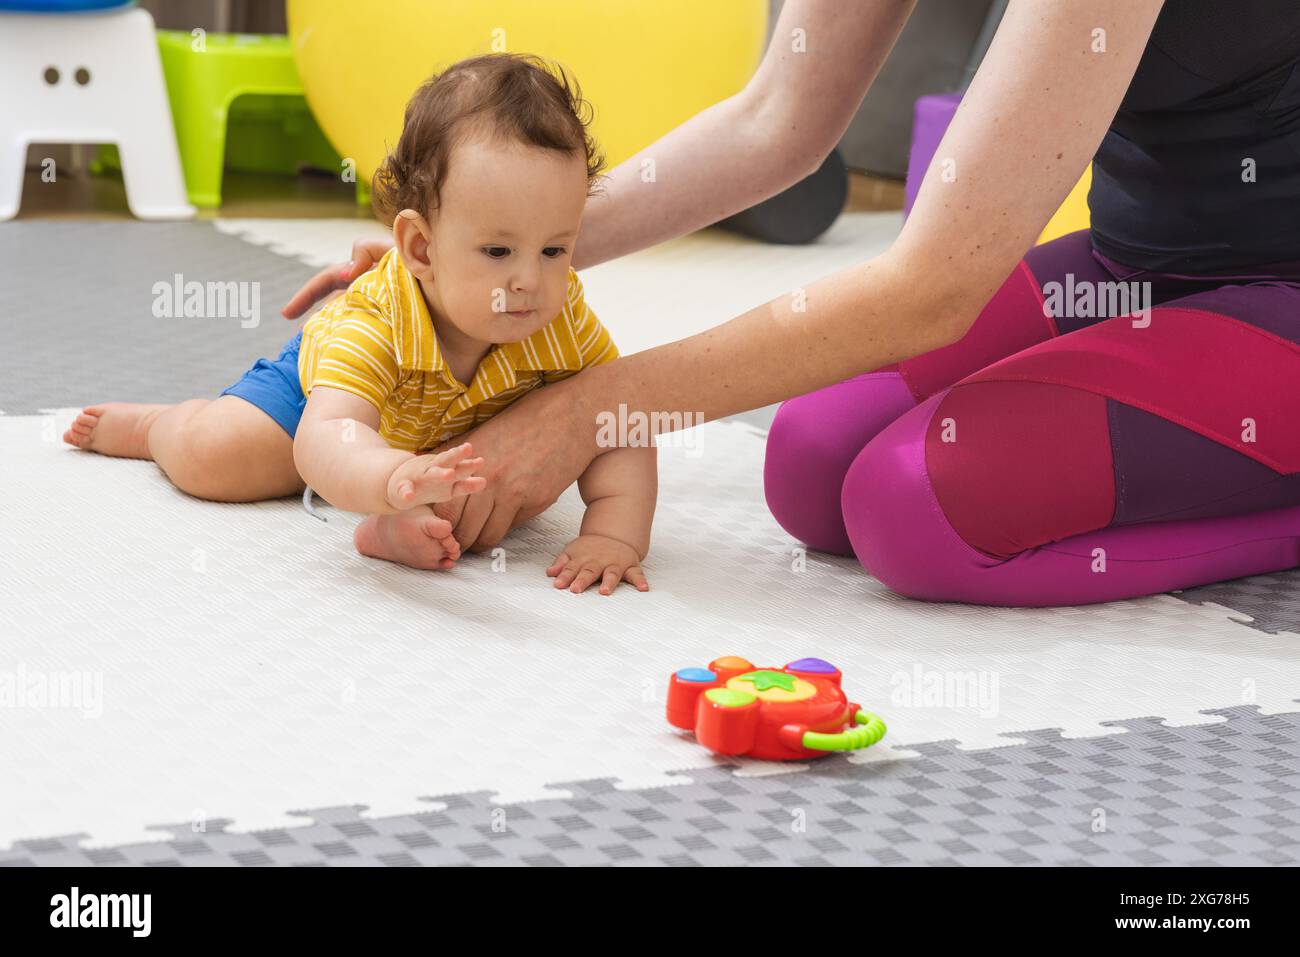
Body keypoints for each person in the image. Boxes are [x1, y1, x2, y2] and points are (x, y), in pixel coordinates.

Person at [283, 0, 1300, 606]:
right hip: (1139, 261)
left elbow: (935, 285)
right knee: (812, 465)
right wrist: (489, 260)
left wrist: (590, 407)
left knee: (919, 512)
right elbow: (776, 121)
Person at [65, 54, 657, 596]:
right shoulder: (375, 323)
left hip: (442, 436)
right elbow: (327, 439)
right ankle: (156, 427)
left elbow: (618, 420)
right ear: (421, 250)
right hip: (324, 402)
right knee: (215, 459)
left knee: (483, 494)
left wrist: (614, 533)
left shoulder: (562, 317)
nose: (532, 281)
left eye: (555, 250)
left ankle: (389, 529)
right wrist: (393, 475)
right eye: (499, 253)